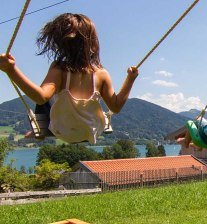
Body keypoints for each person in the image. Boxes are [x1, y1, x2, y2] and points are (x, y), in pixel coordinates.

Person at [0, 13, 138, 144]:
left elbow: (40, 97)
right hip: (91, 130)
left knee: (45, 94)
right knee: (90, 103)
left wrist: (11, 70)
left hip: (62, 130)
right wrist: (130, 79)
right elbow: (116, 106)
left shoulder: (59, 69)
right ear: (94, 44)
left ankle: (41, 130)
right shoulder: (102, 74)